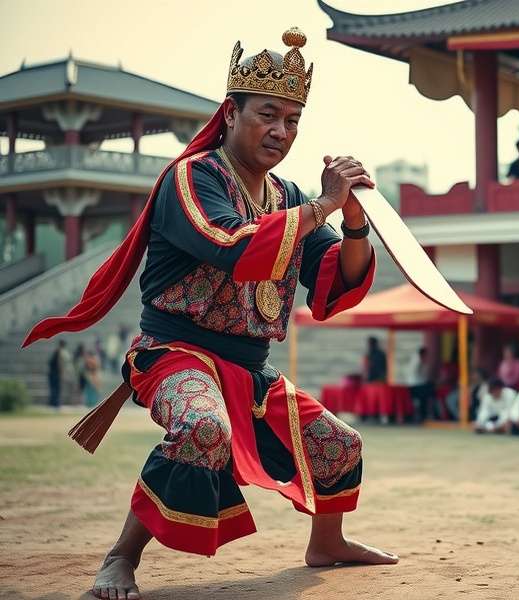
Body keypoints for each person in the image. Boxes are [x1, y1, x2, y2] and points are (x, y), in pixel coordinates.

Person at [22, 29, 398, 599]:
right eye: (268, 114)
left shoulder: (289, 195)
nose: (282, 130)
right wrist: (323, 205)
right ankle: (120, 557)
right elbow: (232, 244)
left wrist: (351, 220)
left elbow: (331, 283)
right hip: (176, 355)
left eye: (293, 120)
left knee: (338, 442)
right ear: (230, 113)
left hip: (249, 368)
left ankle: (328, 541)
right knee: (203, 428)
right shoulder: (192, 177)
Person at [405, 347, 433, 421]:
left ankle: (425, 414)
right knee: (424, 398)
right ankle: (423, 415)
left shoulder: (420, 360)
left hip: (419, 384)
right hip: (416, 385)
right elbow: (417, 374)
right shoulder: (417, 361)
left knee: (426, 396)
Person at [47, 339, 69, 409]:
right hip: (55, 373)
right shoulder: (60, 352)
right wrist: (61, 373)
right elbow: (60, 364)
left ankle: (53, 403)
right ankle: (55, 403)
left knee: (54, 388)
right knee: (56, 388)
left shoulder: (57, 351)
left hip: (53, 373)